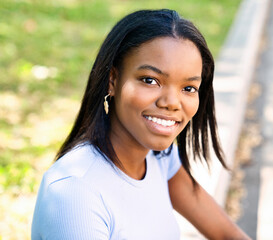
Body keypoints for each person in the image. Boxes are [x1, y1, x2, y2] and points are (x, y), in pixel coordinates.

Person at [31, 9, 250, 240]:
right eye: (150, 80)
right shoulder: (76, 192)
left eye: (188, 88)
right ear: (112, 80)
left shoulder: (160, 158)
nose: (171, 103)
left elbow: (227, 235)